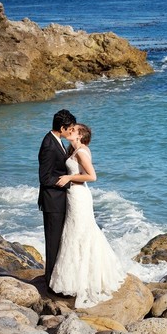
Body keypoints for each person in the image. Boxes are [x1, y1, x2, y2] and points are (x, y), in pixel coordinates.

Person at [49, 123, 126, 308]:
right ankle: (76, 279)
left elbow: (92, 176)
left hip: (79, 196)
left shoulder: (82, 152)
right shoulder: (76, 150)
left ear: (80, 135)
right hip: (74, 195)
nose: (70, 130)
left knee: (79, 234)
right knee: (77, 233)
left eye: (73, 130)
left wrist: (68, 178)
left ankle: (83, 283)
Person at [38, 109, 77, 288]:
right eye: (69, 128)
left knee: (59, 240)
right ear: (62, 127)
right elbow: (45, 178)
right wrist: (67, 182)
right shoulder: (48, 144)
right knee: (53, 242)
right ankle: (50, 281)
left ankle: (54, 278)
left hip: (57, 199)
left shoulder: (57, 140)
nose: (71, 131)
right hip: (52, 201)